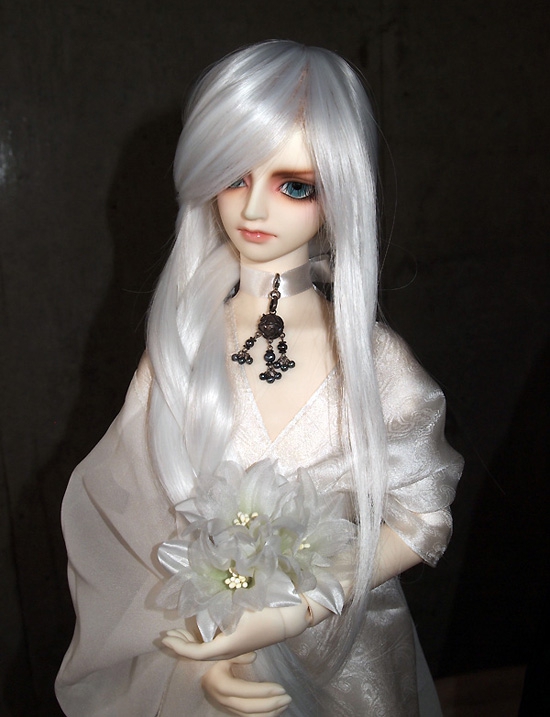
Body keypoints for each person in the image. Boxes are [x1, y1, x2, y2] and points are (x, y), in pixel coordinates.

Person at [56, 40, 463, 716]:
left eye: (294, 185)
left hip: (349, 654)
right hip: (216, 643)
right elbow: (135, 512)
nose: (253, 210)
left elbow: (423, 519)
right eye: (234, 177)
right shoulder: (182, 350)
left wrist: (288, 613)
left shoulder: (372, 361)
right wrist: (216, 644)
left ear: (339, 190)